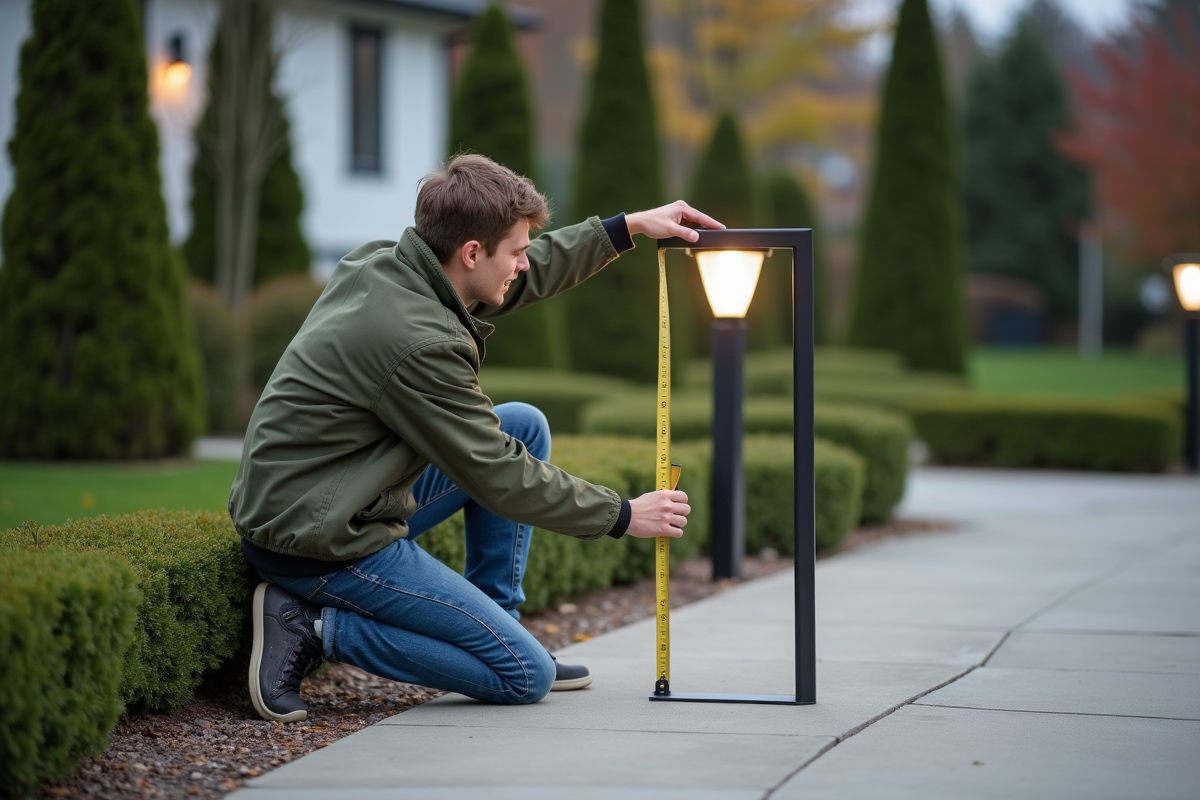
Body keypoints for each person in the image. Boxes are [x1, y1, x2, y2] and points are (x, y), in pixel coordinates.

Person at [231, 153, 722, 722]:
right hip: (317, 540)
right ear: (471, 253)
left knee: (524, 424)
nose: (522, 263)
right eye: (516, 251)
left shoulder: (391, 267)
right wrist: (622, 514)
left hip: (325, 495)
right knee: (522, 675)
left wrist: (626, 228)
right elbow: (498, 473)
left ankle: (498, 623)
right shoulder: (417, 341)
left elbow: (517, 278)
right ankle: (315, 628)